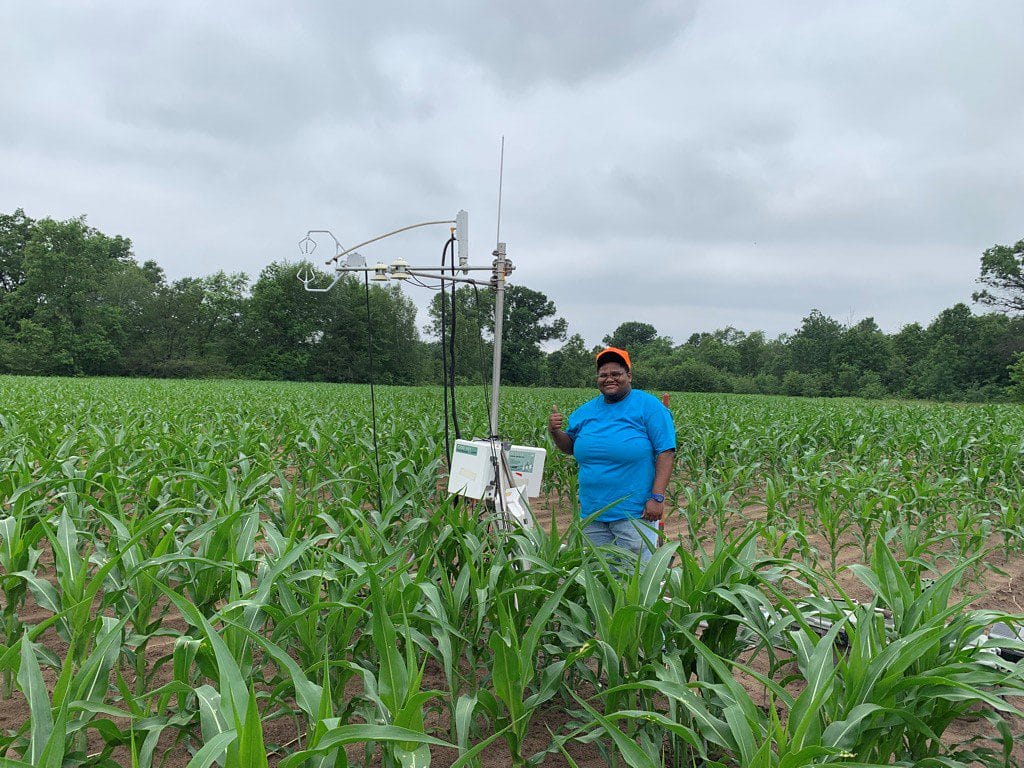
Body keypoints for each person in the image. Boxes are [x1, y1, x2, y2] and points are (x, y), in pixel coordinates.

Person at [548, 347, 676, 562]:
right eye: (603, 375)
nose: (609, 379)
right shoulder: (585, 411)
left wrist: (657, 497)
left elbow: (666, 452)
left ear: (629, 376)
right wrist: (555, 431)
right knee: (598, 576)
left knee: (633, 580)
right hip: (593, 512)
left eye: (616, 374)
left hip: (634, 513)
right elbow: (569, 447)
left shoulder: (649, 406)